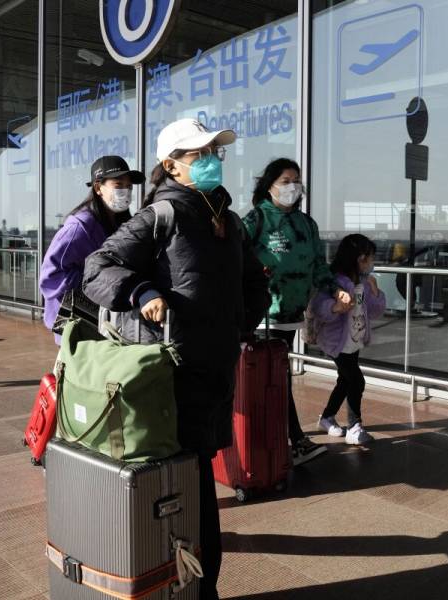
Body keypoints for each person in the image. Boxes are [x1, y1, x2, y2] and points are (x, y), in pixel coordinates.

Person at [82, 118, 268, 600]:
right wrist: (141, 290)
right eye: (199, 153)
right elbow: (97, 268)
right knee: (186, 482)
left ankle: (195, 586)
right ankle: (188, 588)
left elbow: (252, 280)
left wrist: (240, 323)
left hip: (214, 370)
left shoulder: (228, 219)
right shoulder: (161, 214)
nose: (211, 160)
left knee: (197, 476)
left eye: (214, 151)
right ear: (172, 166)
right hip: (172, 375)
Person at [243, 157, 352, 466]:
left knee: (277, 378)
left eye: (296, 180)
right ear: (269, 185)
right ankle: (294, 440)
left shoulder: (306, 224)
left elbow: (318, 266)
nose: (293, 186)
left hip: (292, 315)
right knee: (277, 377)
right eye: (285, 180)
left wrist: (335, 289)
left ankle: (281, 439)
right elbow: (234, 259)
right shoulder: (256, 220)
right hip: (264, 314)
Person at [38, 155, 143, 343]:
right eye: (118, 185)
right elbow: (50, 276)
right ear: (98, 188)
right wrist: (95, 282)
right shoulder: (79, 228)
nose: (126, 191)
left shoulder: (124, 223)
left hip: (109, 324)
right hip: (79, 326)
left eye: (129, 186)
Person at [311, 234, 386, 445]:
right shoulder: (336, 282)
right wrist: (335, 307)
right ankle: (355, 426)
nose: (372, 263)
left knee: (345, 381)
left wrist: (375, 292)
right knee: (356, 380)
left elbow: (374, 311)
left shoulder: (363, 282)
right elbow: (319, 307)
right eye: (370, 258)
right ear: (360, 258)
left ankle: (326, 417)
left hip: (354, 341)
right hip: (338, 342)